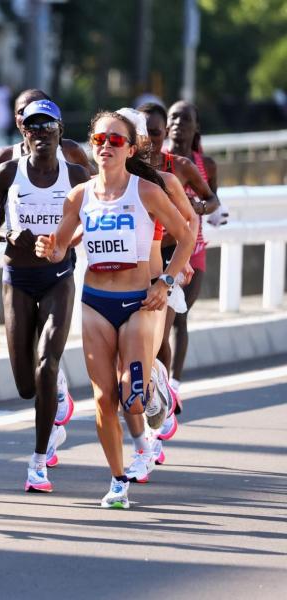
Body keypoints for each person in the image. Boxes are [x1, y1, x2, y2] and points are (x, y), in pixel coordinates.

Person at [35, 111, 194, 509]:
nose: (106, 146)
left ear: (130, 148)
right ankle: (118, 480)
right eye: (100, 139)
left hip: (139, 302)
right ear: (92, 143)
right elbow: (61, 243)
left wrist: (167, 281)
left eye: (116, 140)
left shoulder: (147, 191)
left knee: (132, 399)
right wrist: (49, 248)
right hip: (96, 304)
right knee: (104, 397)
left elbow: (186, 234)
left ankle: (153, 382)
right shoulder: (80, 195)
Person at [0, 99, 90, 493]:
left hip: (59, 276)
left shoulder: (76, 173)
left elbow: (96, 216)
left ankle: (39, 459)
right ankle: (55, 389)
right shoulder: (9, 172)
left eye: (48, 127)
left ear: (61, 130)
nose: (41, 134)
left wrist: (65, 242)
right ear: (23, 133)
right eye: (33, 127)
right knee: (26, 384)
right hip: (17, 278)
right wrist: (7, 235)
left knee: (46, 362)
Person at [114, 107, 198, 483]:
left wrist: (175, 267)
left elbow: (190, 223)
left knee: (137, 378)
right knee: (119, 379)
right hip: (106, 289)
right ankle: (142, 448)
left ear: (139, 142)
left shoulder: (161, 181)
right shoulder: (102, 182)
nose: (112, 144)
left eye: (123, 136)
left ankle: (156, 383)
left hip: (151, 286)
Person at [161, 100, 222, 402]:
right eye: (173, 117)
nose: (177, 124)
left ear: (195, 127)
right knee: (162, 319)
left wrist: (199, 207)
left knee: (180, 317)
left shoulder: (203, 165)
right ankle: (157, 381)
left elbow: (213, 201)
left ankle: (173, 385)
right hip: (160, 250)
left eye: (185, 119)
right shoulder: (158, 161)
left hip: (192, 249)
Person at [0, 89, 95, 175]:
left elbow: (95, 187)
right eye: (22, 112)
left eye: (37, 111)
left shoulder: (70, 151)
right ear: (15, 119)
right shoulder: (4, 158)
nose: (29, 116)